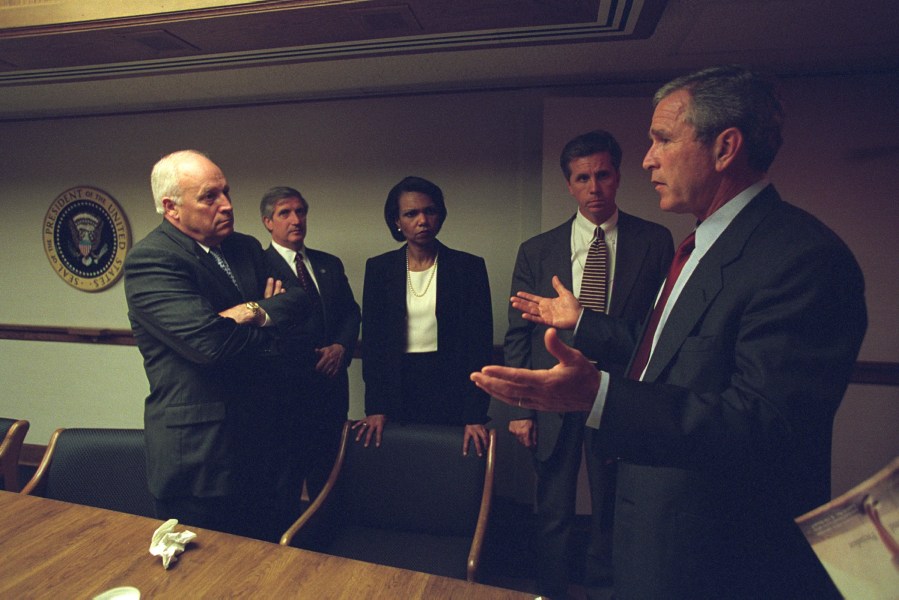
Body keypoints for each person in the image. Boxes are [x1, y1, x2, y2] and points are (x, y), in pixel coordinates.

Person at [472, 65, 867, 599]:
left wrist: (600, 397)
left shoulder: (802, 258)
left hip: (711, 558)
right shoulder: (700, 245)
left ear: (725, 148)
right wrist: (584, 324)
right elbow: (664, 350)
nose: (646, 159)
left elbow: (764, 426)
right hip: (657, 534)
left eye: (662, 139)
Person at [504, 130, 673, 598]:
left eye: (602, 175)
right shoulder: (537, 250)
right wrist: (521, 408)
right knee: (553, 510)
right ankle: (550, 591)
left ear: (618, 176)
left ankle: (604, 592)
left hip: (615, 395)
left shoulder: (655, 241)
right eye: (583, 178)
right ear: (569, 185)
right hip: (554, 394)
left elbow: (656, 331)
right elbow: (519, 334)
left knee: (611, 511)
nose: (594, 187)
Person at [124, 150, 309, 542]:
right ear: (171, 208)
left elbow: (299, 299)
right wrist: (268, 321)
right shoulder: (152, 259)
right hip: (201, 463)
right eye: (210, 197)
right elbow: (210, 343)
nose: (226, 205)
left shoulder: (243, 247)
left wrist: (249, 310)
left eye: (226, 192)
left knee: (265, 571)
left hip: (265, 448)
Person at [355, 176, 492, 456]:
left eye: (430, 211)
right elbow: (374, 343)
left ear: (440, 215)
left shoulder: (468, 268)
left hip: (451, 387)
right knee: (400, 469)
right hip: (398, 386)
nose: (422, 220)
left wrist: (475, 414)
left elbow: (479, 344)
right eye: (411, 213)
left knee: (446, 468)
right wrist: (376, 407)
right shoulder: (380, 269)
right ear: (396, 221)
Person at [260, 186, 361, 508]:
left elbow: (350, 312)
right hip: (285, 392)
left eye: (300, 211)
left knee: (330, 475)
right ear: (268, 222)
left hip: (330, 387)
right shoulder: (257, 267)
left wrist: (341, 348)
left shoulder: (328, 264)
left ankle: (327, 546)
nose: (296, 219)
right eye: (285, 213)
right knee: (284, 481)